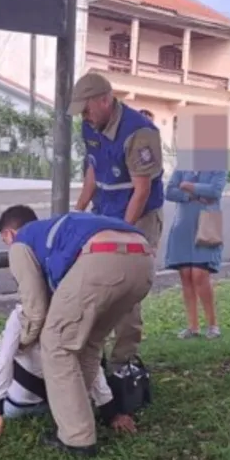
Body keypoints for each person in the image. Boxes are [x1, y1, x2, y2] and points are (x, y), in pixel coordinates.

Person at [0, 205, 154, 456]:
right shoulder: (58, 233)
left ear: (8, 235)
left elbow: (35, 310)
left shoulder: (20, 243)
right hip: (143, 259)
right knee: (89, 343)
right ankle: (85, 413)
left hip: (102, 259)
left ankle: (77, 438)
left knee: (56, 343)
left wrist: (23, 342)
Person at [70, 73, 164, 373]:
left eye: (87, 109)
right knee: (97, 282)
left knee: (127, 286)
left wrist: (124, 233)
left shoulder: (140, 132)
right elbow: (93, 171)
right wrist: (78, 211)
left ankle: (122, 362)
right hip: (105, 214)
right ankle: (92, 357)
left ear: (105, 100)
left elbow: (142, 190)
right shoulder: (89, 125)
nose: (84, 117)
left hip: (139, 218)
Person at [0, 307, 137, 443]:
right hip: (53, 405)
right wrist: (111, 412)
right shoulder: (78, 314)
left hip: (11, 405)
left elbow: (3, 360)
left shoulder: (24, 312)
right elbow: (91, 365)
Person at [165, 169, 227, 339]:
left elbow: (215, 191)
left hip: (206, 225)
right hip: (183, 226)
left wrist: (188, 186)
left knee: (200, 274)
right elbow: (170, 192)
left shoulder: (217, 166)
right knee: (185, 275)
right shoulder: (182, 167)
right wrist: (192, 195)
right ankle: (193, 326)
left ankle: (212, 325)